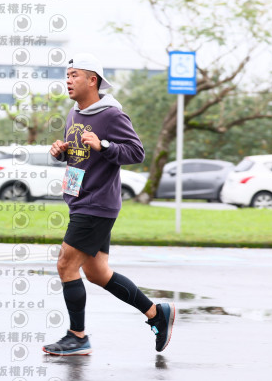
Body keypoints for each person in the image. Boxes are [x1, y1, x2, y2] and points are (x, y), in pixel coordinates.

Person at [43, 53, 175, 356]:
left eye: (74, 75)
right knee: (97, 272)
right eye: (67, 75)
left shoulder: (112, 115)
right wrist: (61, 152)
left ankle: (77, 337)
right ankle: (156, 313)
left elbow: (136, 152)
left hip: (97, 203)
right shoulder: (74, 113)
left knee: (65, 265)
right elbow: (79, 154)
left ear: (93, 80)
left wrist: (104, 145)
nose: (68, 80)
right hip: (80, 199)